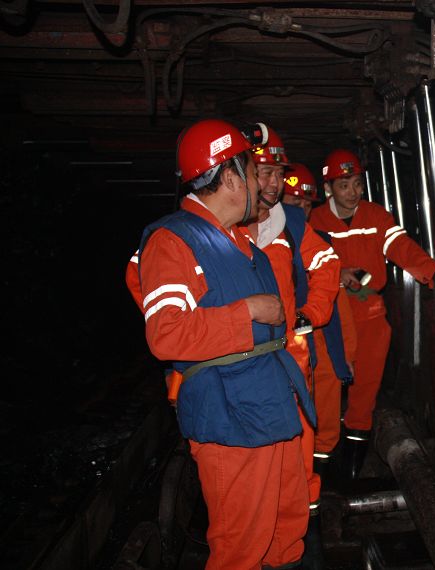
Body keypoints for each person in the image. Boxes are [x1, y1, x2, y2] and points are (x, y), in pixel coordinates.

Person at [128, 118, 314, 569]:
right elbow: (167, 333)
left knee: (286, 531)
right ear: (229, 177)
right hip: (233, 419)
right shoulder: (173, 240)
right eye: (252, 172)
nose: (262, 185)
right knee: (241, 549)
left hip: (273, 406)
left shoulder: (243, 242)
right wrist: (245, 311)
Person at [236, 129, 340, 570]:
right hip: (238, 366)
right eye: (264, 172)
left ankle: (293, 552)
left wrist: (310, 314)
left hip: (289, 360)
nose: (274, 183)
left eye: (279, 173)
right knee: (248, 471)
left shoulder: (291, 223)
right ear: (240, 173)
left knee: (297, 459)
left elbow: (327, 264)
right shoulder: (219, 223)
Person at [310, 149, 435, 478]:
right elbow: (303, 263)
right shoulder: (315, 221)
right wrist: (336, 274)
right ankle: (320, 464)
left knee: (365, 388)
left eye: (357, 184)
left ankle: (352, 467)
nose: (353, 192)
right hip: (331, 315)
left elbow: (399, 246)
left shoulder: (376, 216)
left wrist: (429, 271)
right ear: (328, 189)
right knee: (325, 386)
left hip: (369, 310)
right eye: (344, 185)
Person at [282, 163, 358, 470]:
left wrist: (347, 354)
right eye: (295, 202)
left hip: (323, 339)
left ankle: (322, 474)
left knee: (325, 414)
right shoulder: (267, 240)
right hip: (291, 342)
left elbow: (340, 307)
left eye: (306, 205)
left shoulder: (322, 241)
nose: (302, 210)